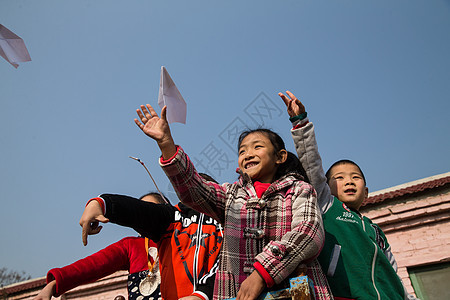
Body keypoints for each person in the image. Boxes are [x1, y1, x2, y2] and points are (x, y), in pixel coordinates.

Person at [127, 104, 333, 300]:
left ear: (280, 157)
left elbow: (308, 233)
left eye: (257, 147)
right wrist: (166, 144)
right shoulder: (230, 195)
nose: (248, 154)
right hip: (235, 293)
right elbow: (193, 190)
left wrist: (261, 273)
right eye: (242, 151)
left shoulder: (300, 189)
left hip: (296, 291)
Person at [279, 90, 419, 300]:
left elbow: (393, 273)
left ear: (367, 192)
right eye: (340, 178)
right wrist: (300, 123)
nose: (349, 181)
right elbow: (311, 164)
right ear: (326, 186)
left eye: (356, 177)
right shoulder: (326, 207)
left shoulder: (375, 231)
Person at [79, 174, 223, 300]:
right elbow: (95, 263)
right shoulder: (170, 219)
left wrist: (201, 295)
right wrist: (103, 204)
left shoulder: (228, 223)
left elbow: (225, 267)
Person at [34, 192, 164, 300]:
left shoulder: (178, 241)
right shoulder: (131, 246)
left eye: (151, 210)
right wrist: (54, 284)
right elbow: (93, 265)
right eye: (140, 211)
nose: (146, 215)